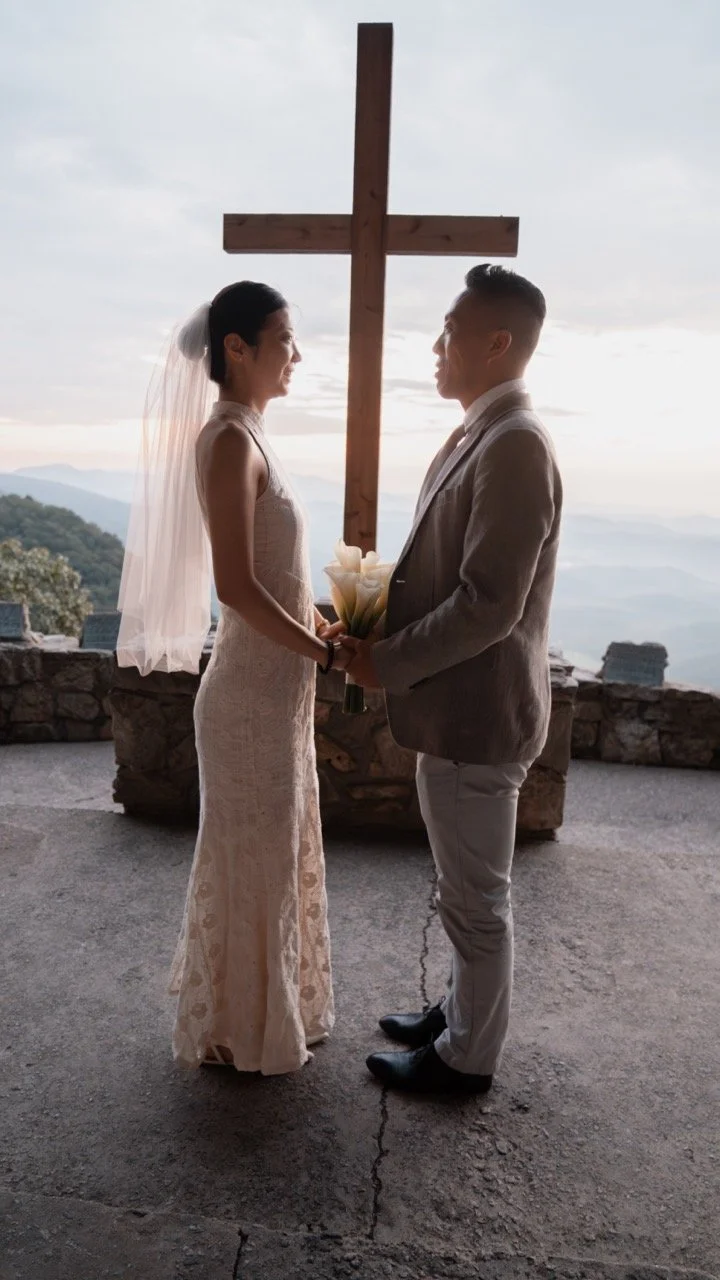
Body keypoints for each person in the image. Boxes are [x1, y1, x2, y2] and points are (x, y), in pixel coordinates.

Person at [118, 281, 350, 1074]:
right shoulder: (226, 442)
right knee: (251, 861)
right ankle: (243, 1029)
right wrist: (320, 654)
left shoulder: (254, 435)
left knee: (273, 855)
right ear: (237, 349)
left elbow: (276, 577)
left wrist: (321, 621)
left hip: (276, 698)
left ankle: (263, 1011)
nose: (296, 353)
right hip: (248, 700)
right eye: (283, 338)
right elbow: (236, 589)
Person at [342, 264, 563, 1095]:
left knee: (477, 896)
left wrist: (384, 662)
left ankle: (466, 1059)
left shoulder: (514, 444)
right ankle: (458, 1010)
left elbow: (486, 607)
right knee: (462, 883)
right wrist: (366, 618)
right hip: (459, 713)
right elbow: (442, 575)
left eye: (449, 330)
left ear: (497, 342)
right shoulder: (483, 429)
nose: (436, 346)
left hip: (479, 715)